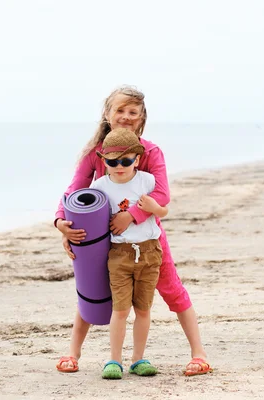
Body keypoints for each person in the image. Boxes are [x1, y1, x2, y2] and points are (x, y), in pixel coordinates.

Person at [54, 85, 212, 377]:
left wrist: (132, 215)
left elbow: (162, 196)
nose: (126, 116)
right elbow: (74, 191)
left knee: (172, 290)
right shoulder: (95, 153)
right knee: (92, 289)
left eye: (133, 112)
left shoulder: (149, 152)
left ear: (141, 119)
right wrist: (61, 222)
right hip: (104, 239)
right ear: (107, 114)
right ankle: (73, 352)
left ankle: (198, 354)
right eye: (120, 110)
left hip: (149, 240)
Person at [89, 128, 167, 379]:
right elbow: (91, 219)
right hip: (119, 255)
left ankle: (138, 358)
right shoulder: (100, 186)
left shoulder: (147, 181)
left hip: (149, 252)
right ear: (104, 161)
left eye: (126, 160)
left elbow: (162, 211)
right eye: (112, 161)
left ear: (137, 158)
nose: (119, 166)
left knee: (143, 309)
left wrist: (155, 207)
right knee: (120, 310)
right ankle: (114, 360)